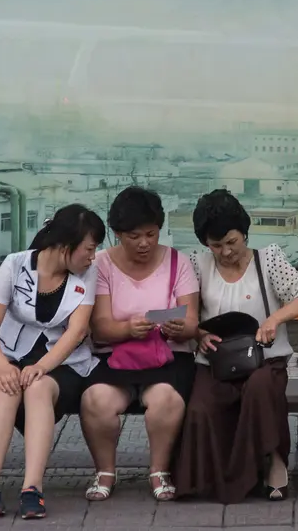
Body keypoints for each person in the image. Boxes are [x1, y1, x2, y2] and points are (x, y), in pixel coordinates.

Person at [174, 189, 298, 504]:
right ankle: (212, 477)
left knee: (258, 390)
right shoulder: (197, 264)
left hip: (264, 361)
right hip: (214, 361)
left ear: (244, 232)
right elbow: (184, 314)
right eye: (216, 245)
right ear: (205, 243)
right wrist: (199, 334)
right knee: (201, 407)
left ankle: (276, 462)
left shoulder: (267, 258)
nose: (226, 252)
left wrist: (274, 320)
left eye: (232, 242)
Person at [0, 205, 105, 520]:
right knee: (6, 388)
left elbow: (75, 332)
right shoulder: (15, 264)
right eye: (89, 249)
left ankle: (32, 488)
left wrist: (42, 367)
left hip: (63, 363)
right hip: (12, 355)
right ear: (65, 246)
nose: (93, 256)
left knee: (36, 387)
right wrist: (3, 367)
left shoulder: (88, 273)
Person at [83, 186, 199, 502]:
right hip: (115, 355)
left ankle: (159, 471)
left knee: (165, 400)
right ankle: (105, 470)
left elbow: (191, 322)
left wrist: (178, 327)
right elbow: (101, 326)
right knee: (97, 400)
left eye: (151, 233)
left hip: (168, 355)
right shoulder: (102, 265)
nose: (145, 243)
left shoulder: (179, 263)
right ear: (118, 234)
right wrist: (127, 328)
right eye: (134, 236)